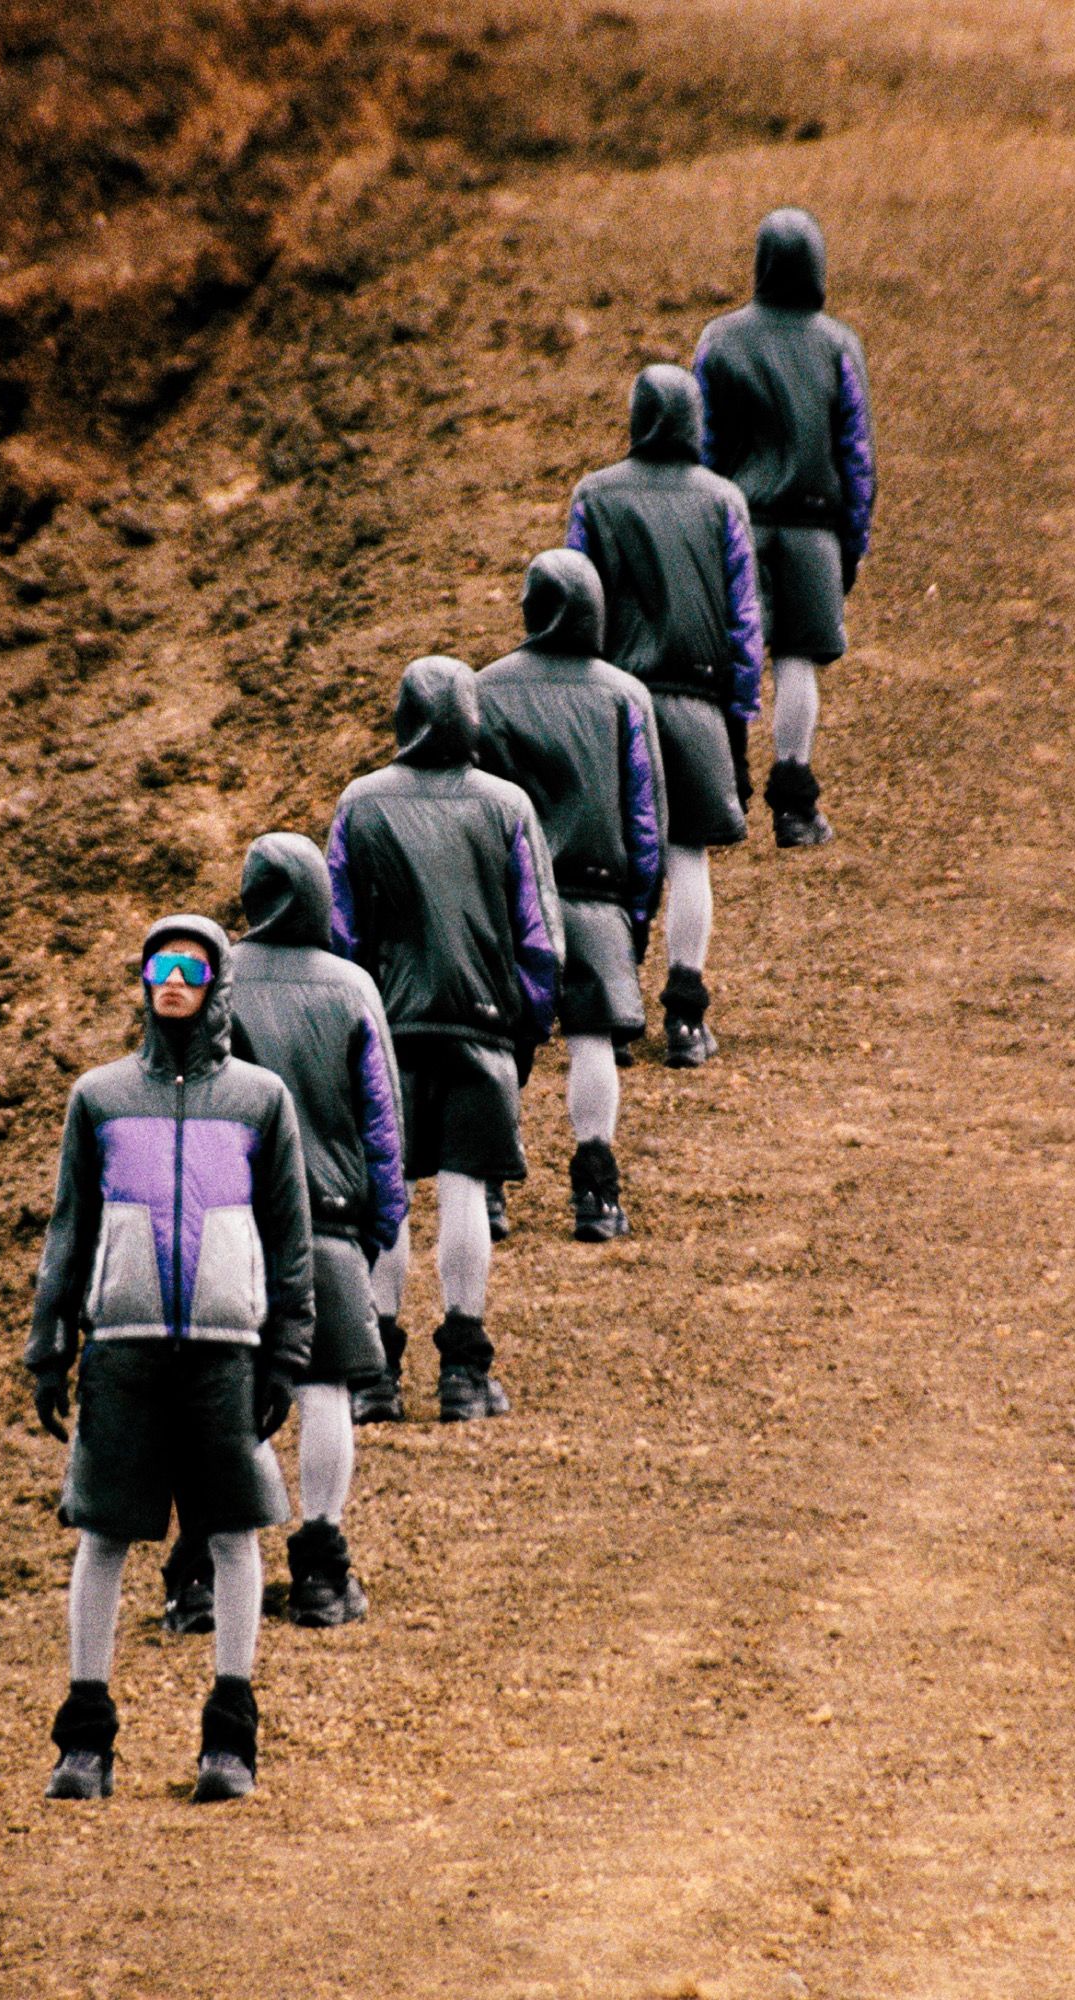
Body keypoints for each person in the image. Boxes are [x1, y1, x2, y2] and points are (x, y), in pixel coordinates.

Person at [24, 915, 314, 1805]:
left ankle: (230, 1741)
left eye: (190, 966)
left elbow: (289, 1234)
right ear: (143, 982)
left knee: (233, 1534)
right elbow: (70, 1226)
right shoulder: (99, 1097)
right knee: (102, 1535)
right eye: (159, 967)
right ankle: (84, 1743)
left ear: (217, 981)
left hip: (227, 1355)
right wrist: (50, 1342)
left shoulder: (262, 1099)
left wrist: (286, 1351)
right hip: (123, 1353)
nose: (174, 980)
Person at [162, 833, 408, 1633]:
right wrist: (381, 1224)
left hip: (225, 1224)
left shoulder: (214, 981)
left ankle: (200, 1571)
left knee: (220, 1394)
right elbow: (382, 1123)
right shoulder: (352, 987)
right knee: (326, 1388)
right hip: (328, 1219)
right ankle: (322, 1569)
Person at [327, 655, 563, 1422]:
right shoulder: (507, 805)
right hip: (480, 1027)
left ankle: (376, 1375)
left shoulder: (360, 803)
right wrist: (522, 1034)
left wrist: (349, 1030)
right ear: (471, 717)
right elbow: (540, 937)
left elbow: (338, 930)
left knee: (387, 1195)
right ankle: (463, 1370)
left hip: (386, 1029)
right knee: (465, 1189)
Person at [568, 364, 764, 1068]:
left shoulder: (596, 495)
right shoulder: (723, 500)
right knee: (688, 853)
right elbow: (745, 619)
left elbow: (576, 598)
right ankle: (685, 1012)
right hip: (697, 703)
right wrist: (739, 719)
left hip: (613, 699)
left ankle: (614, 1014)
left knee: (615, 858)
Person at [476, 548, 666, 1240]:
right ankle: (596, 1189)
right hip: (597, 895)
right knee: (593, 1038)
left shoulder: (483, 690)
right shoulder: (623, 695)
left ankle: (489, 1191)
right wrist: (636, 916)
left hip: (508, 899)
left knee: (498, 1040)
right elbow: (646, 819)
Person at [693, 206, 876, 847]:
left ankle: (729, 789)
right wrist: (852, 543)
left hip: (738, 523)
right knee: (798, 661)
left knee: (731, 657)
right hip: (813, 528)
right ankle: (794, 803)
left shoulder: (720, 340)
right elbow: (856, 454)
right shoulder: (838, 345)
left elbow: (703, 444)